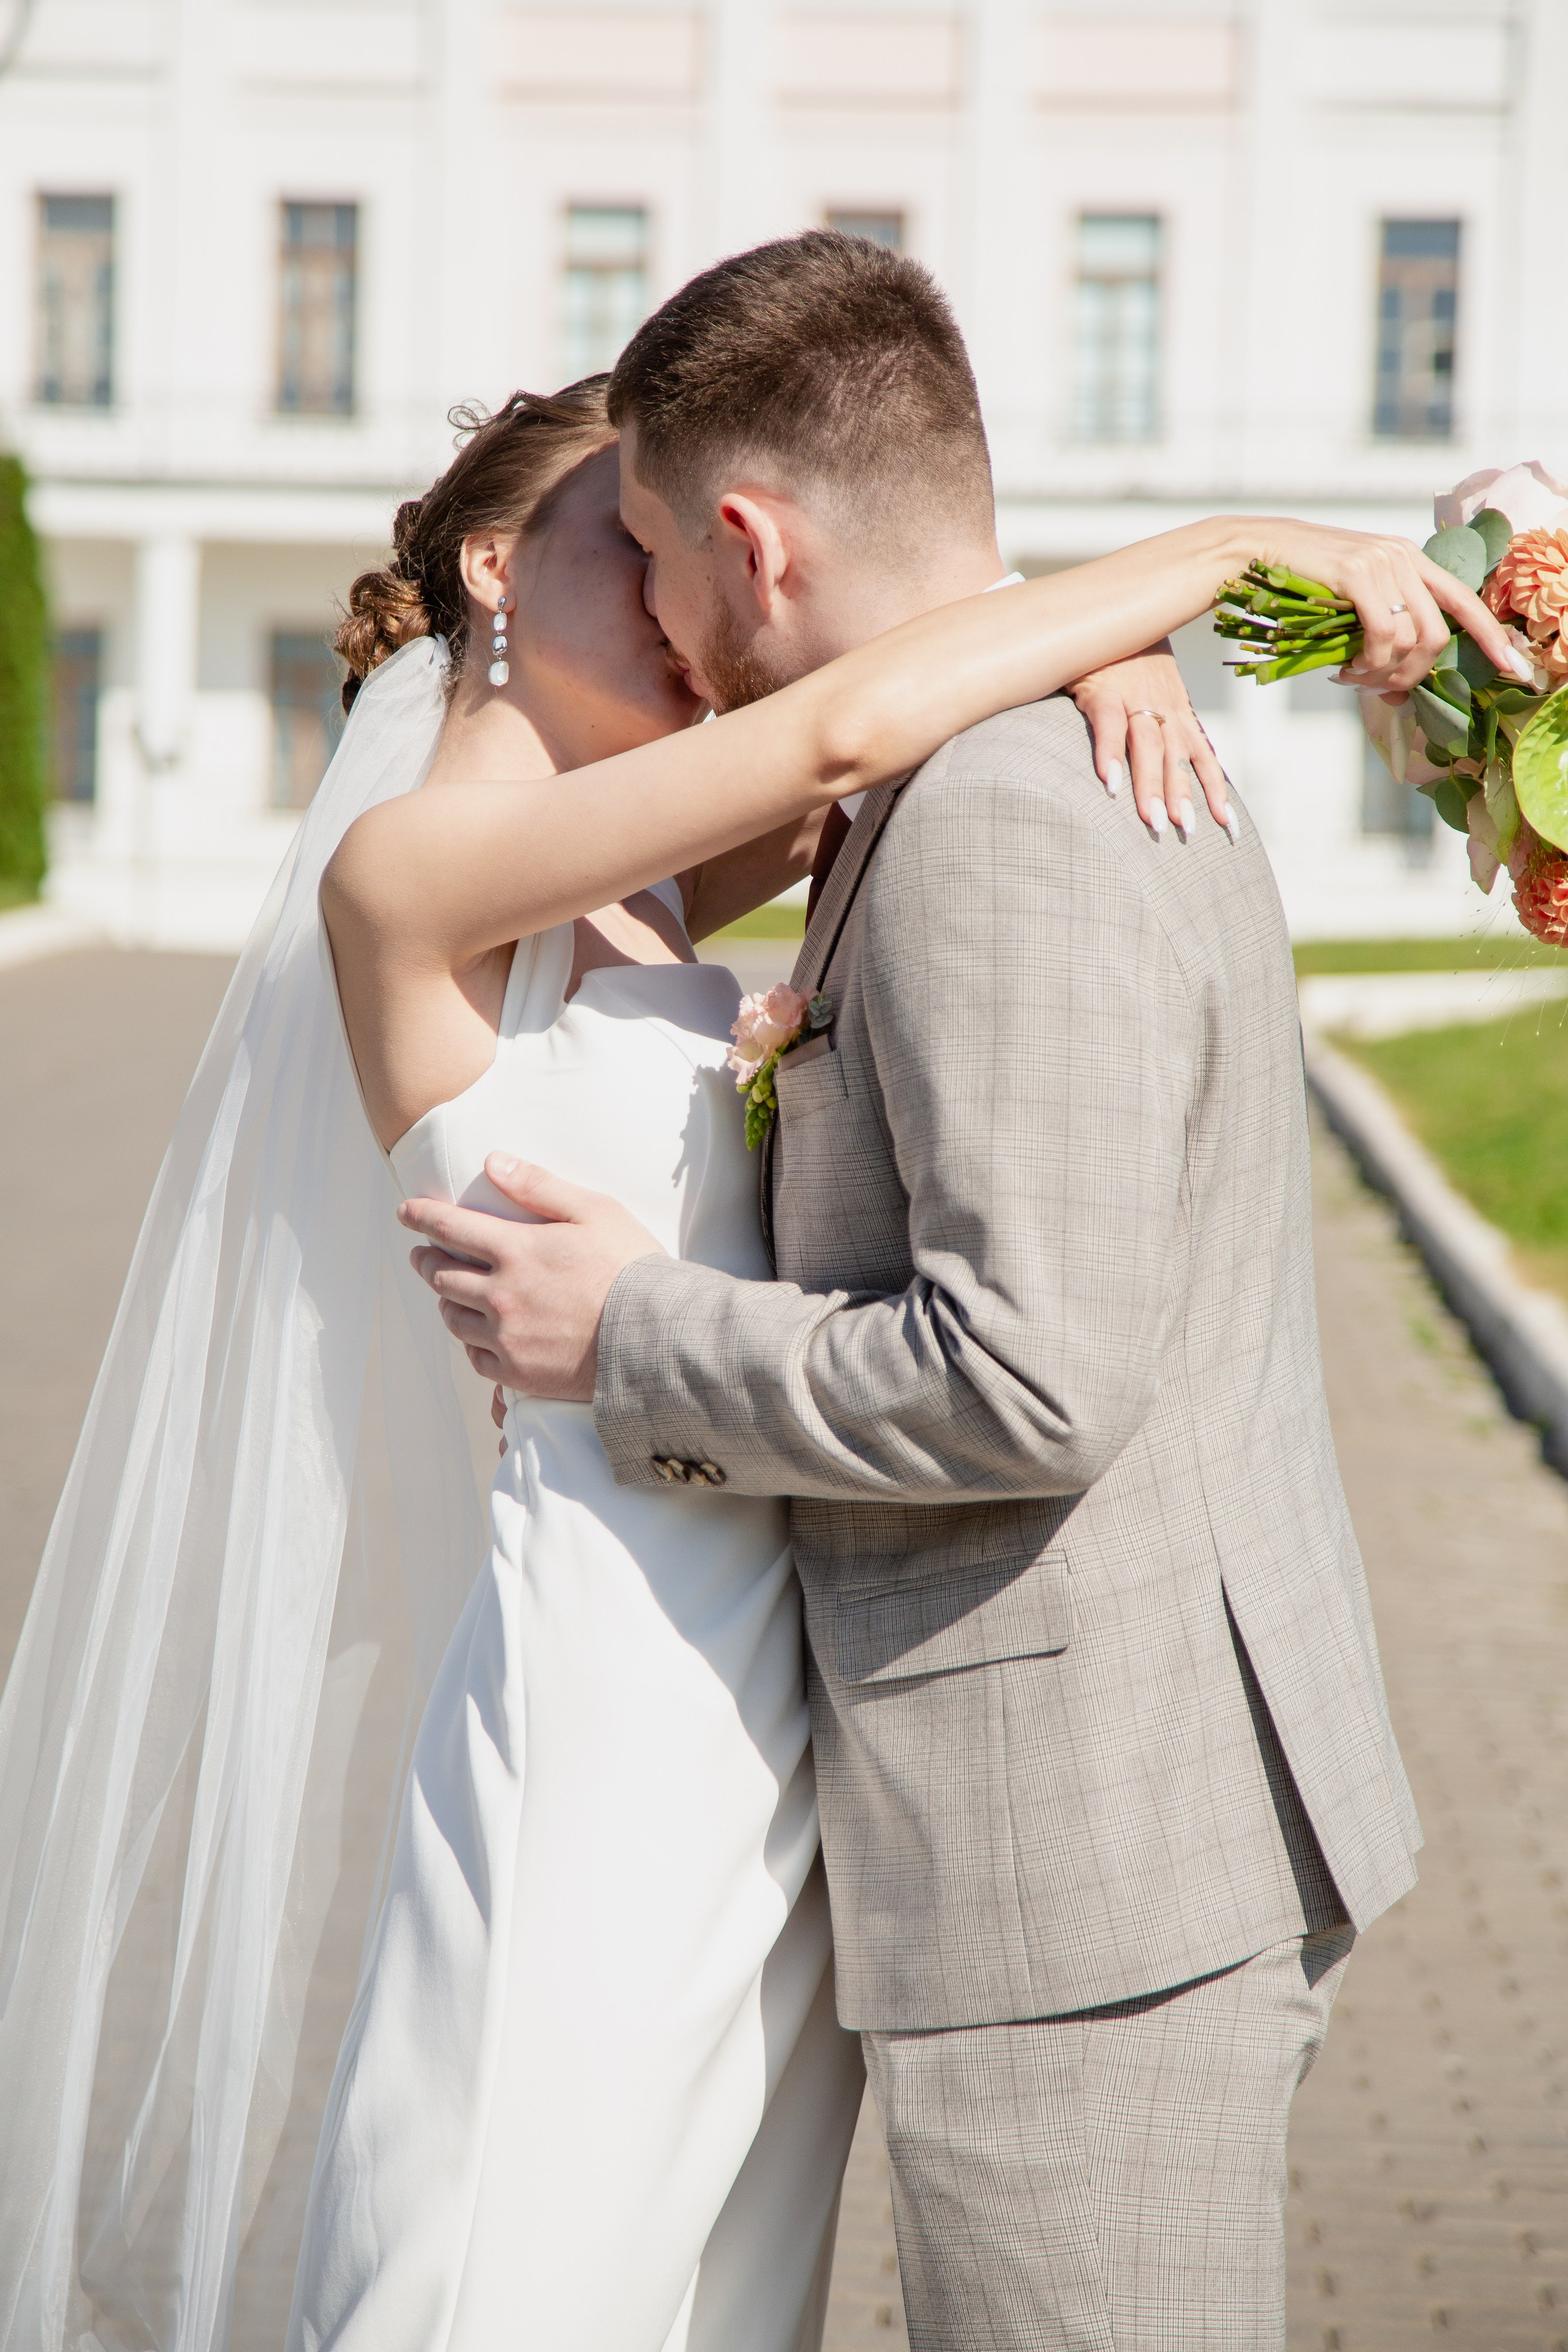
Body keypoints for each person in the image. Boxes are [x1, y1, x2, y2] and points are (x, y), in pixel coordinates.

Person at [396, 233, 1526, 2351]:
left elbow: (1030, 1371)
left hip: (1087, 1859)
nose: (652, 611)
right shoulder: (976, 766)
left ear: (747, 537)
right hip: (1015, 1814)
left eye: (654, 555)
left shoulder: (1001, 815)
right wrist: (1104, 618)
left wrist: (625, 1330)